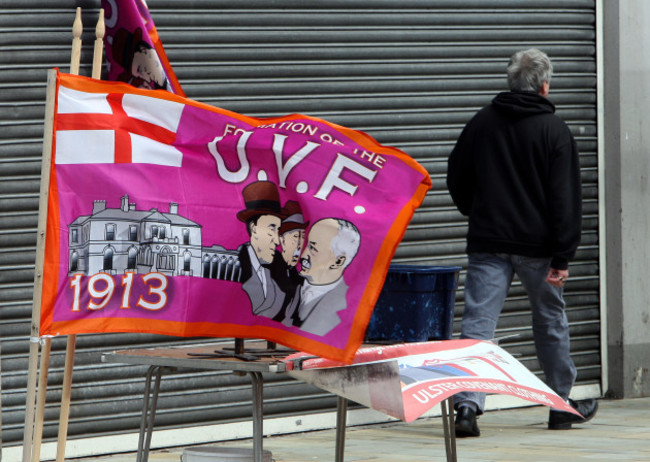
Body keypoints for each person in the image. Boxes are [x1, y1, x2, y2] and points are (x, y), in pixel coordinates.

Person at [446, 48, 598, 437]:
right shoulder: (554, 131)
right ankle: (559, 405)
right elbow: (566, 199)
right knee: (549, 322)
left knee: (478, 324)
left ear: (511, 81)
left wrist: (477, 212)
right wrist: (563, 255)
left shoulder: (481, 124)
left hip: (488, 242)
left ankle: (466, 408)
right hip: (539, 249)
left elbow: (456, 176)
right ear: (544, 86)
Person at [293, 218, 360, 336]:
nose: (303, 255)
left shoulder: (346, 307)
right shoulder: (285, 283)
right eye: (306, 245)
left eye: (313, 248)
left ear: (338, 261)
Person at [236, 181, 287, 318]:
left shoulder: (278, 264)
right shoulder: (235, 264)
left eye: (278, 230)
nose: (277, 241)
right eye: (271, 228)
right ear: (253, 228)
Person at [269, 200, 309, 325]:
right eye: (295, 237)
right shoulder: (271, 265)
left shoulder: (296, 275)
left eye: (302, 237)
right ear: (282, 239)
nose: (299, 244)